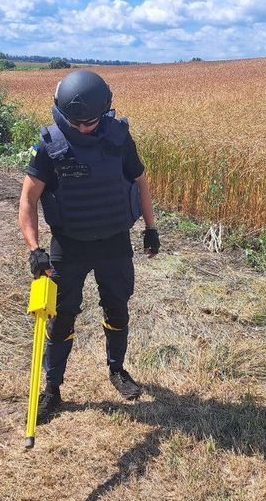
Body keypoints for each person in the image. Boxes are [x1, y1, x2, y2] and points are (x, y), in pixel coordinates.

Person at [18, 69, 160, 421]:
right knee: (61, 316)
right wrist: (35, 249)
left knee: (117, 307)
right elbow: (27, 200)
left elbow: (140, 182)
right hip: (69, 246)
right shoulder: (49, 146)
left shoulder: (119, 139)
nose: (83, 128)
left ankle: (117, 370)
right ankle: (52, 388)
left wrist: (150, 228)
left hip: (114, 241)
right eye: (76, 121)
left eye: (90, 121)